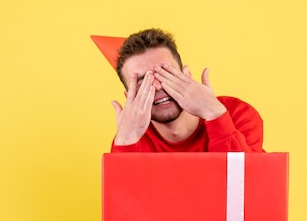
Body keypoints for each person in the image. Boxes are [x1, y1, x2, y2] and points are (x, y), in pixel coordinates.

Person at [110, 28, 265, 152]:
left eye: (165, 73)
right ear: (130, 98)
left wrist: (215, 114)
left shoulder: (237, 114)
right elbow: (127, 191)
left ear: (187, 76)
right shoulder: (130, 138)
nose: (158, 86)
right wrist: (125, 141)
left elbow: (248, 185)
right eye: (143, 82)